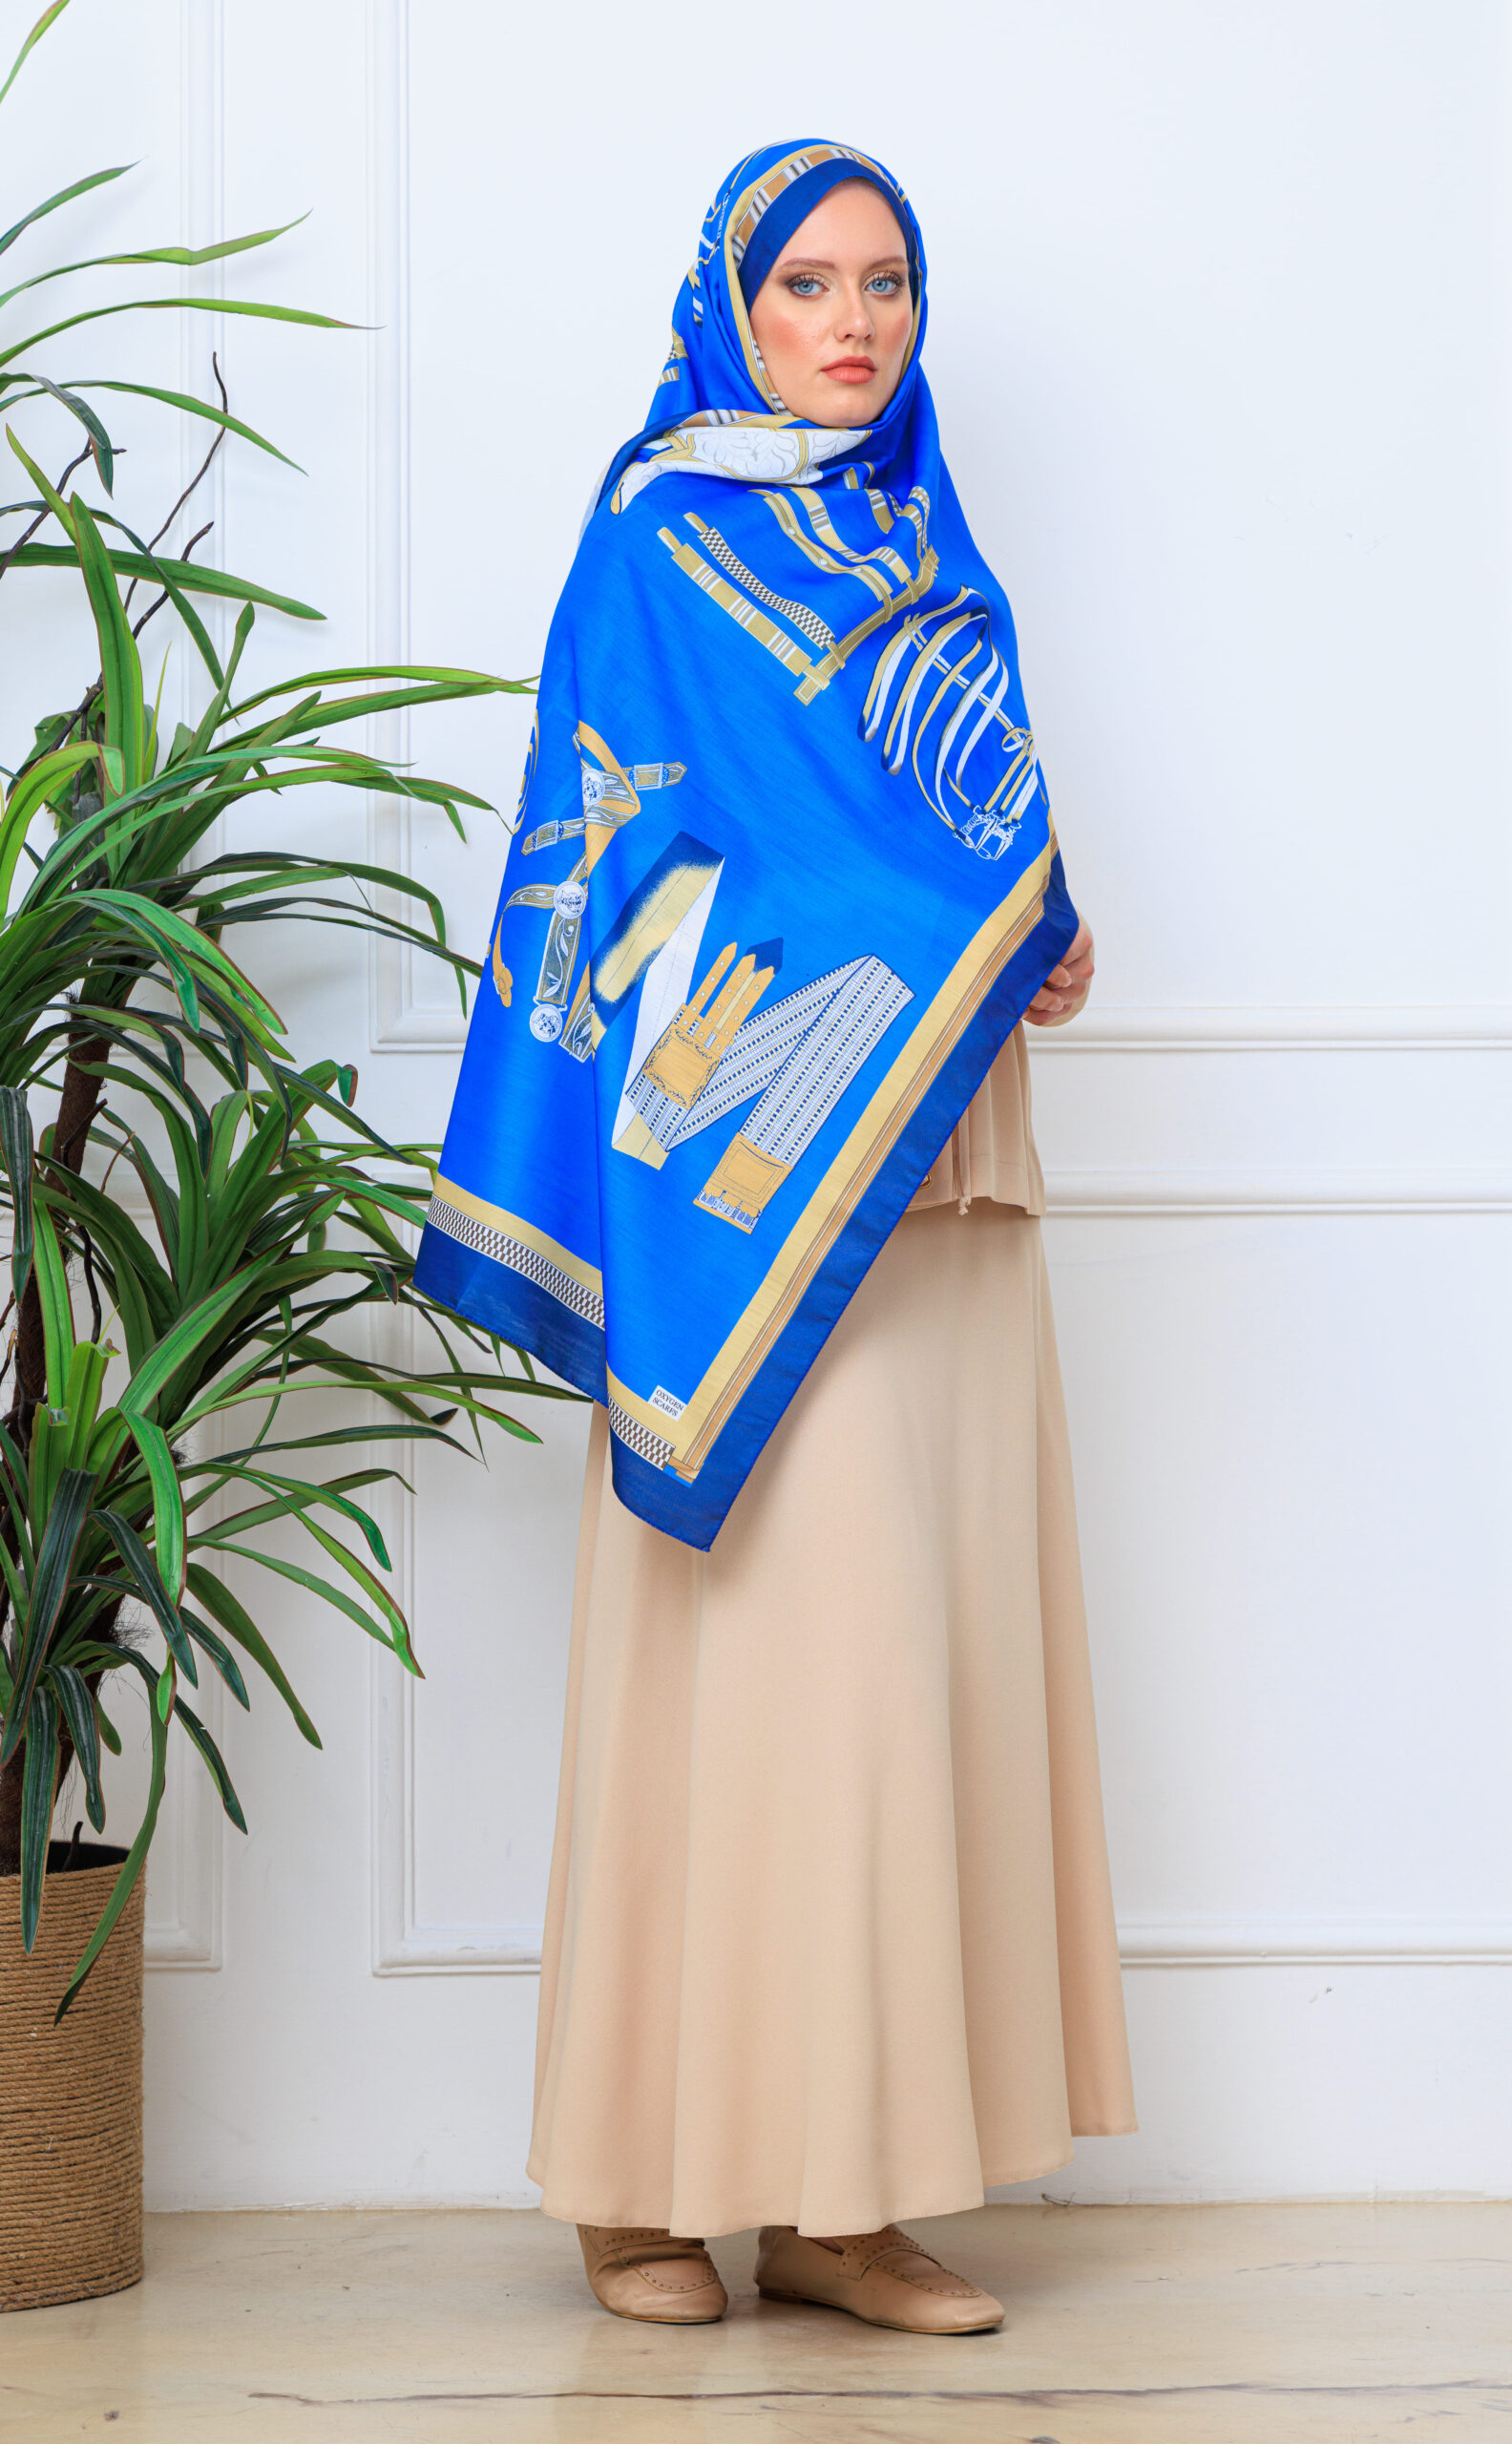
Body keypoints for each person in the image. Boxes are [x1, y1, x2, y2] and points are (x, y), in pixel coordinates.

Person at [416, 138, 1135, 2335]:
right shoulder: (659, 534)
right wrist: (911, 919)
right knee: (743, 1656)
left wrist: (1039, 933)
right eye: (807, 282)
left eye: (884, 283)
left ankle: (847, 2195)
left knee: (899, 1677)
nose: (852, 321)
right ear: (729, 302)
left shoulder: (921, 531)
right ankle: (639, 2178)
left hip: (937, 1154)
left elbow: (955, 811)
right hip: (744, 1153)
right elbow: (617, 840)